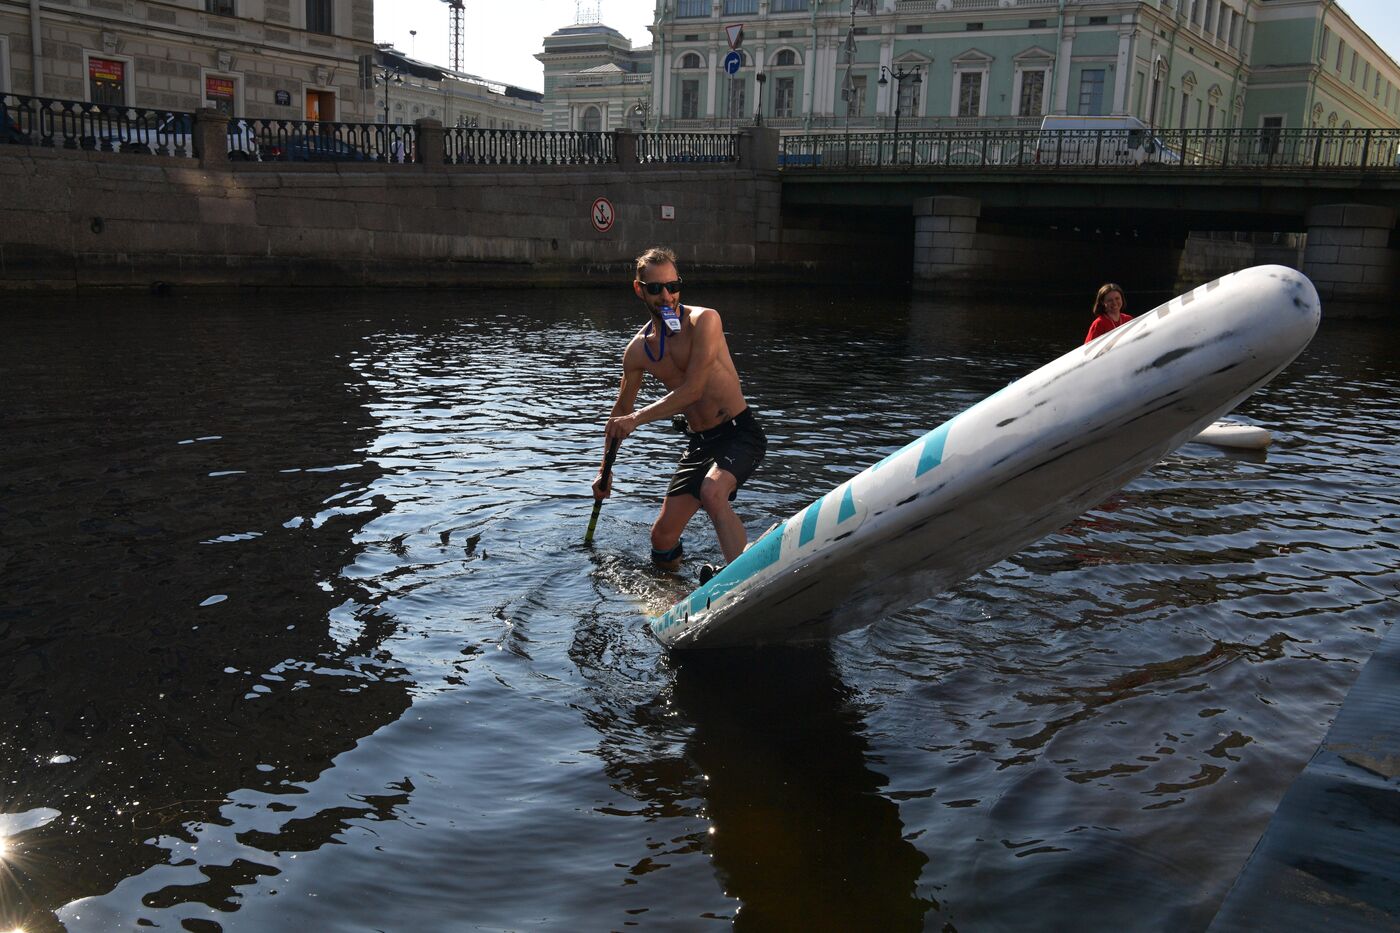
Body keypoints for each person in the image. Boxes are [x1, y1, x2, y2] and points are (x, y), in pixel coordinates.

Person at [592, 247, 767, 575]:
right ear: (639, 289)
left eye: (673, 286)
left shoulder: (705, 321)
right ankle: (674, 592)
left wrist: (637, 419)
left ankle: (744, 576)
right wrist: (605, 470)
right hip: (700, 443)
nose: (667, 296)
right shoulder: (637, 352)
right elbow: (620, 414)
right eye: (656, 288)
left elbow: (693, 390)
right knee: (661, 537)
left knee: (712, 492)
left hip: (739, 433)